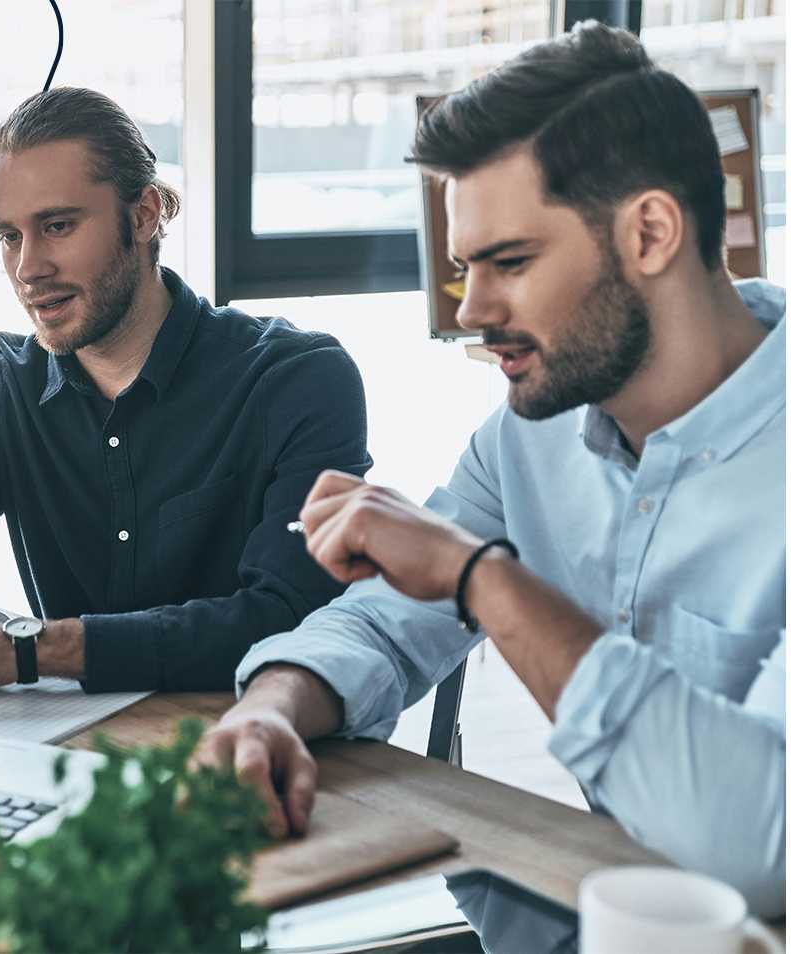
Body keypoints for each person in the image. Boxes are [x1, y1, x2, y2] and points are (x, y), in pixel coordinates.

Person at [196, 22, 785, 916]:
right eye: (467, 267)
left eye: (511, 261)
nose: (472, 309)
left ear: (652, 232)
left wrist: (483, 580)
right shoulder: (530, 437)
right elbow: (387, 622)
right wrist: (274, 707)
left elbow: (760, 845)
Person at [0, 88, 371, 692]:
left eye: (58, 226)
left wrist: (30, 650)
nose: (27, 268)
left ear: (144, 215)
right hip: (79, 755)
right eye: (10, 236)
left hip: (262, 743)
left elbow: (289, 617)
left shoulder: (297, 379)